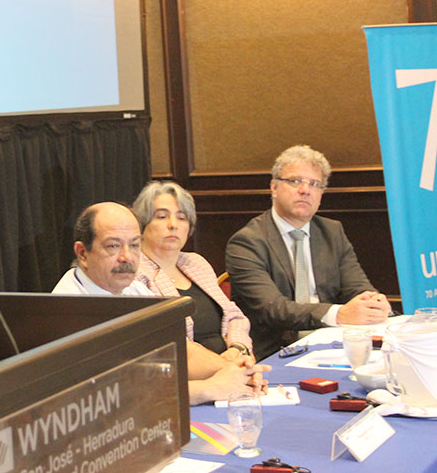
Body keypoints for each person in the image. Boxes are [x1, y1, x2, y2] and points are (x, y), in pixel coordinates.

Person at [53, 202, 268, 404]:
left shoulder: (132, 288)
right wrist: (209, 388)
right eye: (113, 246)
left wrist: (237, 371)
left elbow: (181, 350)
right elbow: (117, 392)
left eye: (135, 245)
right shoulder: (68, 308)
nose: (127, 257)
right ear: (82, 253)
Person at [225, 145, 390, 360]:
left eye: (315, 184)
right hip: (275, 354)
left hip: (332, 343)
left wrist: (372, 302)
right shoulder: (247, 242)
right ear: (274, 187)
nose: (305, 190)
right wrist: (338, 314)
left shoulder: (332, 232)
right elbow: (273, 309)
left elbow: (357, 286)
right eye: (295, 181)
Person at [132, 181, 254, 363]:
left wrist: (238, 349)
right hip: (188, 373)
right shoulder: (134, 274)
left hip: (233, 362)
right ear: (142, 224)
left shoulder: (196, 263)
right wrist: (222, 365)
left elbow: (234, 316)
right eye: (162, 217)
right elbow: (163, 343)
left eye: (182, 218)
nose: (173, 224)